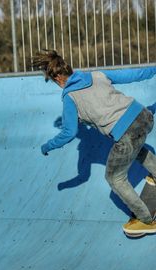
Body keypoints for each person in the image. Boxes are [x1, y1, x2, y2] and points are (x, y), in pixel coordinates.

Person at [32, 49, 156, 235]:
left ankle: (146, 221)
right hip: (144, 116)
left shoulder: (69, 97)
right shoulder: (97, 75)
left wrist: (47, 146)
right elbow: (134, 74)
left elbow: (68, 132)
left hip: (126, 133)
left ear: (58, 79)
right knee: (134, 148)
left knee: (115, 178)